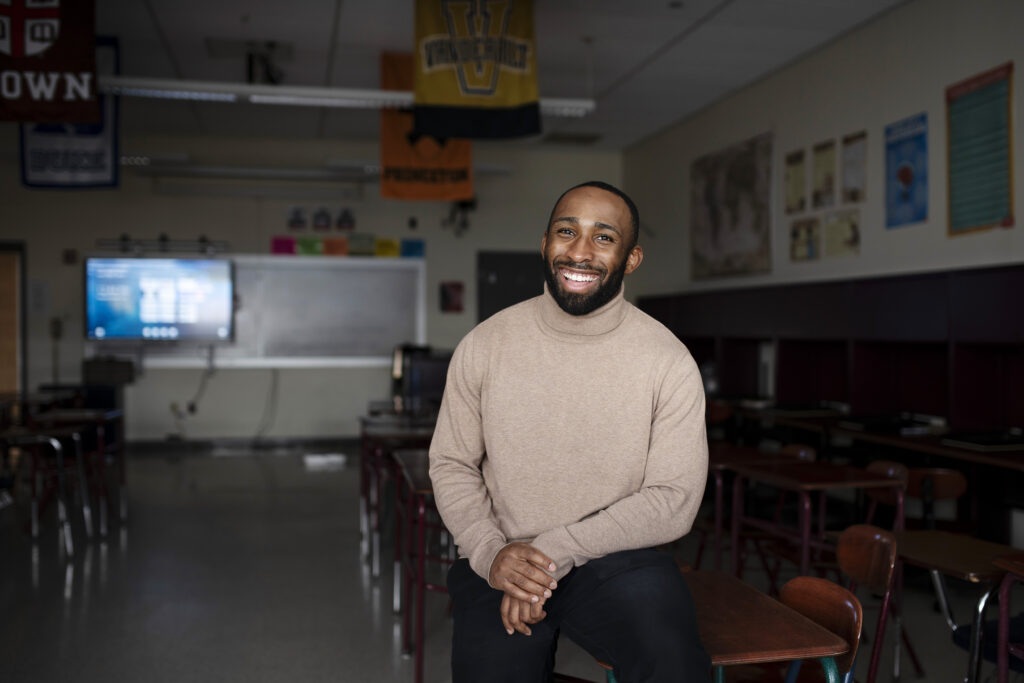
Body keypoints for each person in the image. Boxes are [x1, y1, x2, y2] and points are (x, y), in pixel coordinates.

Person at [429, 181, 710, 682]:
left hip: (617, 559)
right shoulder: (485, 345)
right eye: (566, 231)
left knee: (673, 664)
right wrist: (493, 554)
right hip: (502, 557)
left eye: (604, 238)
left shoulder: (668, 361)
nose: (580, 251)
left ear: (631, 258)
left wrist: (554, 551)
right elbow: (452, 462)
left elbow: (674, 497)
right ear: (545, 244)